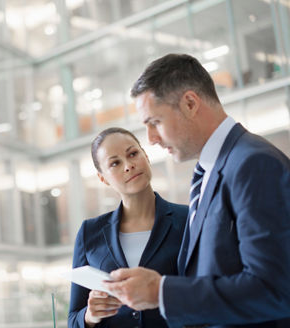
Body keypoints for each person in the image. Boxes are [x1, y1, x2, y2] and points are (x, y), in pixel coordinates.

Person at [102, 54, 290, 328]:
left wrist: (160, 292)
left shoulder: (253, 163)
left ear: (190, 103)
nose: (151, 139)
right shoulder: (210, 172)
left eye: (154, 122)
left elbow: (275, 288)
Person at [68, 127, 188, 328]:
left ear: (146, 156)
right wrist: (90, 315)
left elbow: (206, 293)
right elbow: (73, 319)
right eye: (115, 163)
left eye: (133, 154)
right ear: (103, 178)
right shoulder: (90, 232)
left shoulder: (188, 219)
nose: (128, 166)